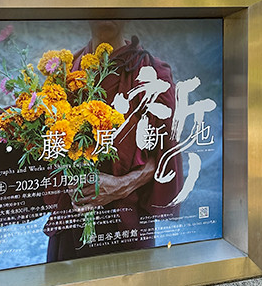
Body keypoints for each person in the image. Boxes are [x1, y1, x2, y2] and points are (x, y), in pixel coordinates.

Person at [43, 19, 183, 262]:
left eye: (114, 11)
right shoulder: (68, 70)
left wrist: (124, 184)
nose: (105, 17)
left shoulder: (150, 71)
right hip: (72, 215)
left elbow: (166, 153)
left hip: (126, 220)